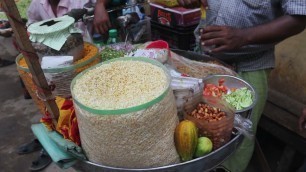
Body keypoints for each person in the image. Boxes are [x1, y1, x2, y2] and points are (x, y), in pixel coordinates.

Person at [177, 0, 306, 171]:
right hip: (205, 63)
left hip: (247, 68)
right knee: (198, 130)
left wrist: (243, 36)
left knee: (234, 140)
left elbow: (299, 18)